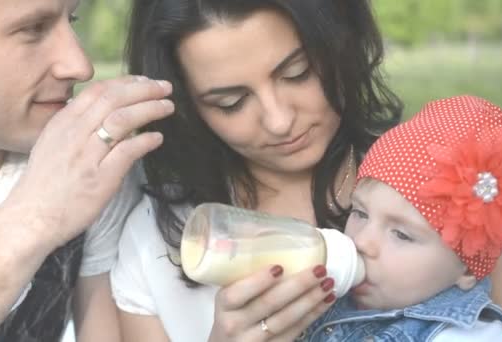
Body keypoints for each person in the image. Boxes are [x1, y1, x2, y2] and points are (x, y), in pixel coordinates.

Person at [111, 0, 403, 341]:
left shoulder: (428, 181)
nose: (279, 121)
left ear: (340, 42)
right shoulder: (154, 243)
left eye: (298, 73)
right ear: (188, 108)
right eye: (231, 103)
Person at [0, 0, 174, 341]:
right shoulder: (69, 180)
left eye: (72, 19)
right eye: (33, 29)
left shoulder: (88, 169)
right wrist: (38, 213)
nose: (80, 66)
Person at [302, 95, 502, 341]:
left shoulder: (461, 336)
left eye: (401, 234)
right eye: (360, 213)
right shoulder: (329, 298)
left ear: (467, 269)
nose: (362, 242)